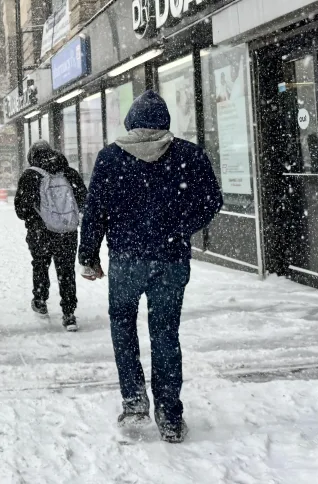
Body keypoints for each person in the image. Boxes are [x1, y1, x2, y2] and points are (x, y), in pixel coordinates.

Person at [79, 90, 222, 443]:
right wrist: (180, 227)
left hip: (127, 259)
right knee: (165, 333)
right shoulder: (188, 154)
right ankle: (170, 415)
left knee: (123, 326)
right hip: (171, 261)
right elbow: (212, 201)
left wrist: (89, 255)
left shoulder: (111, 158)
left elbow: (95, 209)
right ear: (165, 122)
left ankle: (134, 401)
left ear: (131, 122)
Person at [14, 140, 87, 331]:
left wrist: (35, 218)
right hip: (67, 231)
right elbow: (84, 200)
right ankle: (69, 314)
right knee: (66, 271)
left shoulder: (30, 176)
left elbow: (20, 210)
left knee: (40, 264)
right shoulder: (69, 172)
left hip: (40, 232)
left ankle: (40, 300)